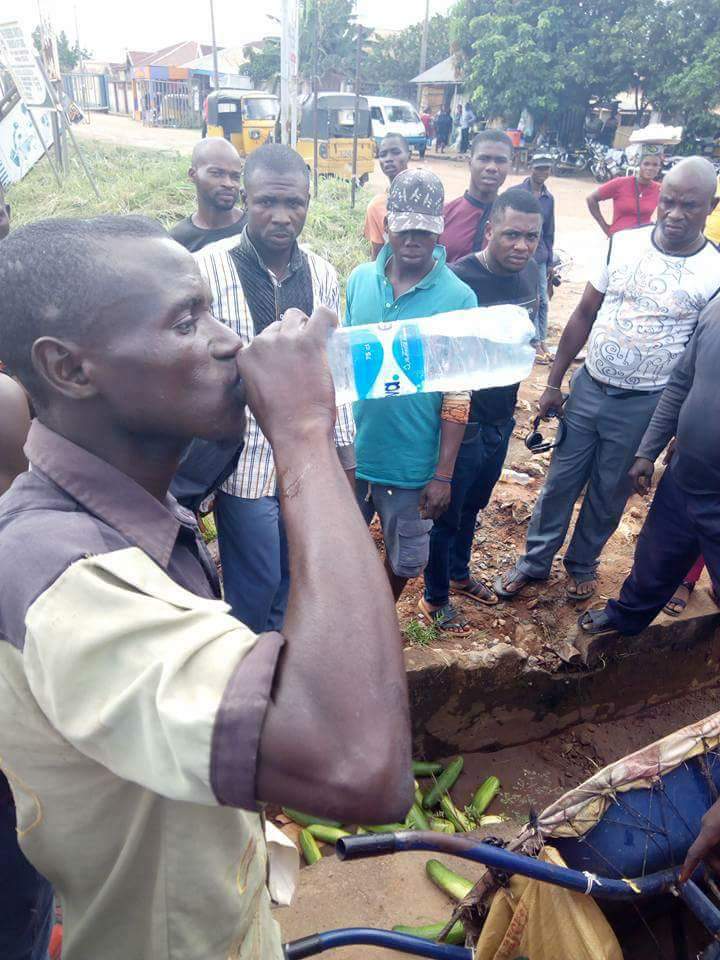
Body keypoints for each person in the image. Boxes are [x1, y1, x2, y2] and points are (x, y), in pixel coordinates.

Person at [0, 214, 413, 960]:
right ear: (69, 369)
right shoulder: (63, 577)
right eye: (187, 321)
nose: (230, 340)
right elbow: (361, 767)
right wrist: (304, 430)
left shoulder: (135, 511)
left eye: (213, 309)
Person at [496, 158, 720, 604]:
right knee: (560, 481)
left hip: (648, 405)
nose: (674, 214)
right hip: (590, 387)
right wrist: (554, 382)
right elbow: (583, 314)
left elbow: (700, 364)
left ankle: (582, 565)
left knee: (609, 492)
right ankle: (534, 562)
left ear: (711, 206)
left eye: (689, 207)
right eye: (668, 202)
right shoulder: (622, 244)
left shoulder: (715, 271)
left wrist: (677, 430)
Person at [194, 143, 355, 633]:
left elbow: (335, 371)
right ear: (246, 198)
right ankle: (246, 675)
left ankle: (285, 671)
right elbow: (193, 369)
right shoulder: (209, 267)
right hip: (243, 464)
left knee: (299, 575)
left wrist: (346, 459)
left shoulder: (323, 274)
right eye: (267, 202)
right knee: (255, 582)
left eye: (295, 204)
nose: (282, 216)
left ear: (308, 202)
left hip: (307, 456)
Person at [346, 168, 477, 601]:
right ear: (387, 225)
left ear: (438, 230)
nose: (414, 238)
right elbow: (343, 366)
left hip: (412, 468)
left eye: (425, 229)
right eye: (405, 227)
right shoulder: (360, 280)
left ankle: (382, 616)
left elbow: (458, 394)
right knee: (340, 548)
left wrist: (443, 475)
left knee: (404, 560)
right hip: (353, 457)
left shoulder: (459, 298)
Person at [421, 189, 542, 632]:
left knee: (473, 505)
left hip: (500, 418)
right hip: (461, 422)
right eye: (512, 234)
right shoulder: (458, 281)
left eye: (531, 236)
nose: (521, 246)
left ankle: (458, 573)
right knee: (445, 512)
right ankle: (434, 598)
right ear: (490, 230)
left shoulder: (530, 277)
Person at [578, 294, 720, 642]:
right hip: (685, 475)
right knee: (655, 557)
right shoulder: (717, 305)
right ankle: (626, 615)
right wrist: (648, 451)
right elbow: (682, 383)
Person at [440, 129, 513, 264]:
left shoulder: (513, 220)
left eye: (500, 160)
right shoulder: (443, 215)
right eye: (484, 159)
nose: (492, 167)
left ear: (510, 165)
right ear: (470, 162)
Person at [170, 137, 246, 252]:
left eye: (235, 177)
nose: (229, 184)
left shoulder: (254, 230)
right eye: (216, 174)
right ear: (192, 175)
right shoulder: (178, 240)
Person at [520, 153, 556, 362]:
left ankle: (541, 339)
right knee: (527, 298)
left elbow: (550, 231)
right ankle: (531, 341)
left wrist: (550, 261)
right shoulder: (516, 193)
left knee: (542, 299)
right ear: (531, 167)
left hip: (540, 255)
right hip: (519, 253)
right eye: (539, 168)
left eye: (546, 169)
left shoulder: (548, 199)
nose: (542, 173)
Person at [586, 153, 662, 237]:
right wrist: (605, 227)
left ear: (659, 168)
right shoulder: (620, 183)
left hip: (643, 238)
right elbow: (591, 199)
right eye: (646, 164)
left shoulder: (660, 189)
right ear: (639, 165)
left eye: (655, 165)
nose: (650, 168)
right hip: (619, 237)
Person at [364, 133, 410, 260]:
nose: (389, 159)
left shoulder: (427, 196)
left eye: (395, 152)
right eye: (383, 154)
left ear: (408, 155)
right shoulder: (376, 206)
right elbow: (377, 257)